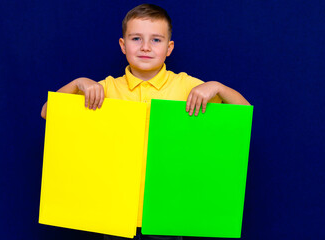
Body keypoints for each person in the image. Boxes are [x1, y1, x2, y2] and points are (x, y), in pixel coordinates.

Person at [40, 3, 250, 240]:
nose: (146, 47)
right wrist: (79, 83)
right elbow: (48, 113)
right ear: (123, 45)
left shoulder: (187, 86)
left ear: (169, 48)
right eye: (136, 38)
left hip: (167, 206)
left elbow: (242, 114)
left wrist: (217, 87)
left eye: (156, 40)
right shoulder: (106, 88)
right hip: (114, 207)